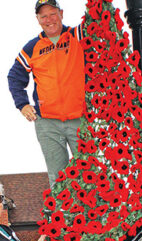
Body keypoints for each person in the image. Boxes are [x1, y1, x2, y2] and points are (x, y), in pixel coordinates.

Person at [8, 0, 85, 187]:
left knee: (89, 172)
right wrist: (23, 104)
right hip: (47, 123)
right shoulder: (31, 47)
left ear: (62, 14)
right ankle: (65, 216)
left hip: (80, 119)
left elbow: (98, 17)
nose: (49, 19)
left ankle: (94, 216)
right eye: (44, 16)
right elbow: (14, 77)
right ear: (38, 19)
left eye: (53, 14)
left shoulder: (78, 35)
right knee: (58, 179)